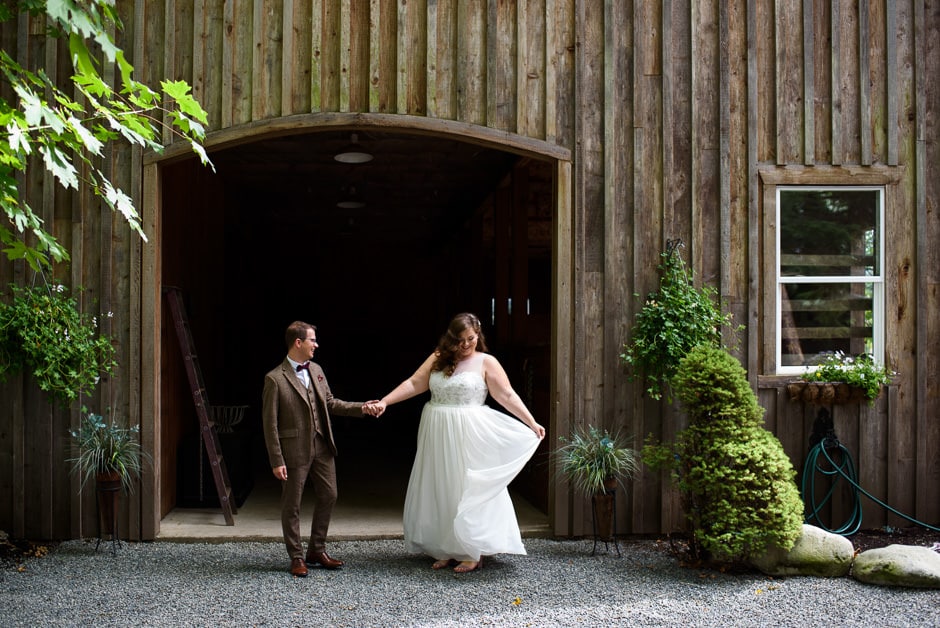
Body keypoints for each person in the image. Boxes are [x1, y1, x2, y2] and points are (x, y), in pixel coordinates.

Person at [367, 312, 545, 573]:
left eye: (471, 339)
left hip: (468, 431)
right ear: (451, 339)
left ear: (478, 336)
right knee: (441, 485)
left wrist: (531, 421)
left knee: (465, 485)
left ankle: (470, 549)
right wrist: (385, 401)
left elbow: (506, 394)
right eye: (460, 340)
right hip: (437, 428)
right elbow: (415, 383)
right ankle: (445, 547)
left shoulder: (486, 361)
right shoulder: (439, 358)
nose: (465, 345)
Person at [262, 320, 379, 577]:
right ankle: (296, 557)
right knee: (291, 504)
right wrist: (276, 459)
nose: (316, 344)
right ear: (298, 342)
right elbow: (269, 424)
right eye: (312, 340)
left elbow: (330, 403)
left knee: (330, 494)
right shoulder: (274, 379)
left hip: (322, 445)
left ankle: (316, 549)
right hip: (293, 450)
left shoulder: (316, 369)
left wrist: (362, 407)